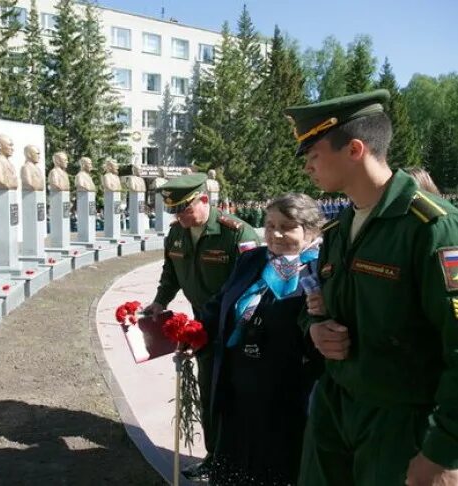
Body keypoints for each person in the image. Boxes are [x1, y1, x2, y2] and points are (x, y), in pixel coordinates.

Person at [285, 89, 458, 485]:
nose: (307, 167)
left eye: (313, 155)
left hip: (401, 427)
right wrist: (313, 328)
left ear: (355, 149)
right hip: (335, 411)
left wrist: (442, 450)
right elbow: (318, 304)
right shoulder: (338, 229)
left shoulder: (431, 228)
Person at [202, 193, 324, 485]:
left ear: (311, 230)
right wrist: (192, 332)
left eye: (287, 226)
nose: (275, 234)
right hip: (238, 386)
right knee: (235, 462)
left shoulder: (322, 269)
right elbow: (220, 305)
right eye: (269, 225)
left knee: (277, 468)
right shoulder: (252, 259)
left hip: (288, 394)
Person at [144, 173, 261, 481]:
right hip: (203, 329)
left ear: (205, 200)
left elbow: (254, 284)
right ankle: (215, 458)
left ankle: (244, 461)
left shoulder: (236, 233)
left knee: (238, 396)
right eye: (174, 210)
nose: (180, 216)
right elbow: (170, 273)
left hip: (238, 328)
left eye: (185, 208)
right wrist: (159, 301)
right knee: (209, 392)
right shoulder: (177, 234)